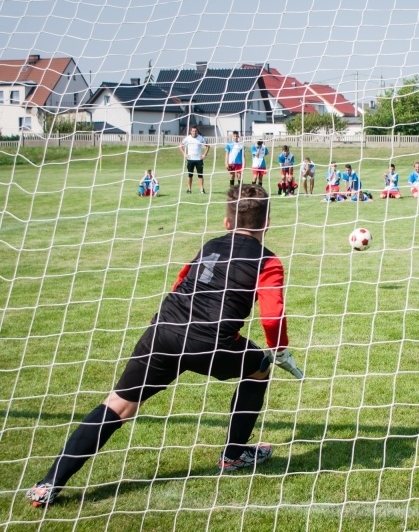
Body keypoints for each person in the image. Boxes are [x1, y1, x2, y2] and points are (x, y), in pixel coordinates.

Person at [25, 185, 304, 508]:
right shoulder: (267, 260)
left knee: (119, 404)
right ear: (267, 221)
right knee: (261, 367)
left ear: (226, 222)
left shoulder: (211, 245)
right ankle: (233, 454)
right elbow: (272, 316)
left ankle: (47, 485)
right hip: (210, 341)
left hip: (164, 328)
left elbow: (181, 281)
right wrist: (280, 350)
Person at [179, 125, 209, 194]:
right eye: (193, 131)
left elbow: (207, 146)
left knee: (200, 175)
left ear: (197, 131)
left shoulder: (201, 138)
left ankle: (201, 190)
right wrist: (184, 154)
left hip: (199, 160)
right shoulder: (187, 138)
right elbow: (180, 145)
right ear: (190, 131)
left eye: (195, 131)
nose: (194, 132)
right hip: (190, 160)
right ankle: (189, 189)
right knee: (190, 175)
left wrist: (204, 154)